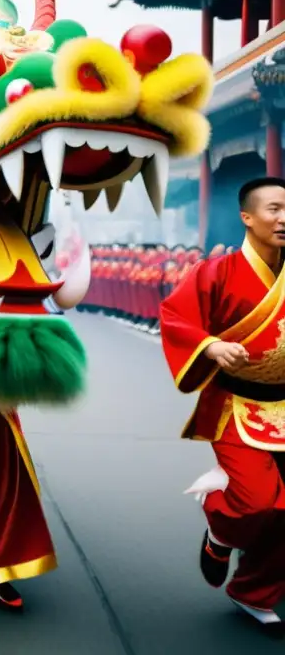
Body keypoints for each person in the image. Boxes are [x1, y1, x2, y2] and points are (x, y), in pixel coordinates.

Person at [160, 176, 285, 633]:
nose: (284, 219)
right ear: (247, 217)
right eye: (274, 209)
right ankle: (219, 524)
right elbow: (177, 316)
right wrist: (210, 346)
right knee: (257, 504)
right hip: (239, 404)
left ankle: (254, 590)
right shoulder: (217, 272)